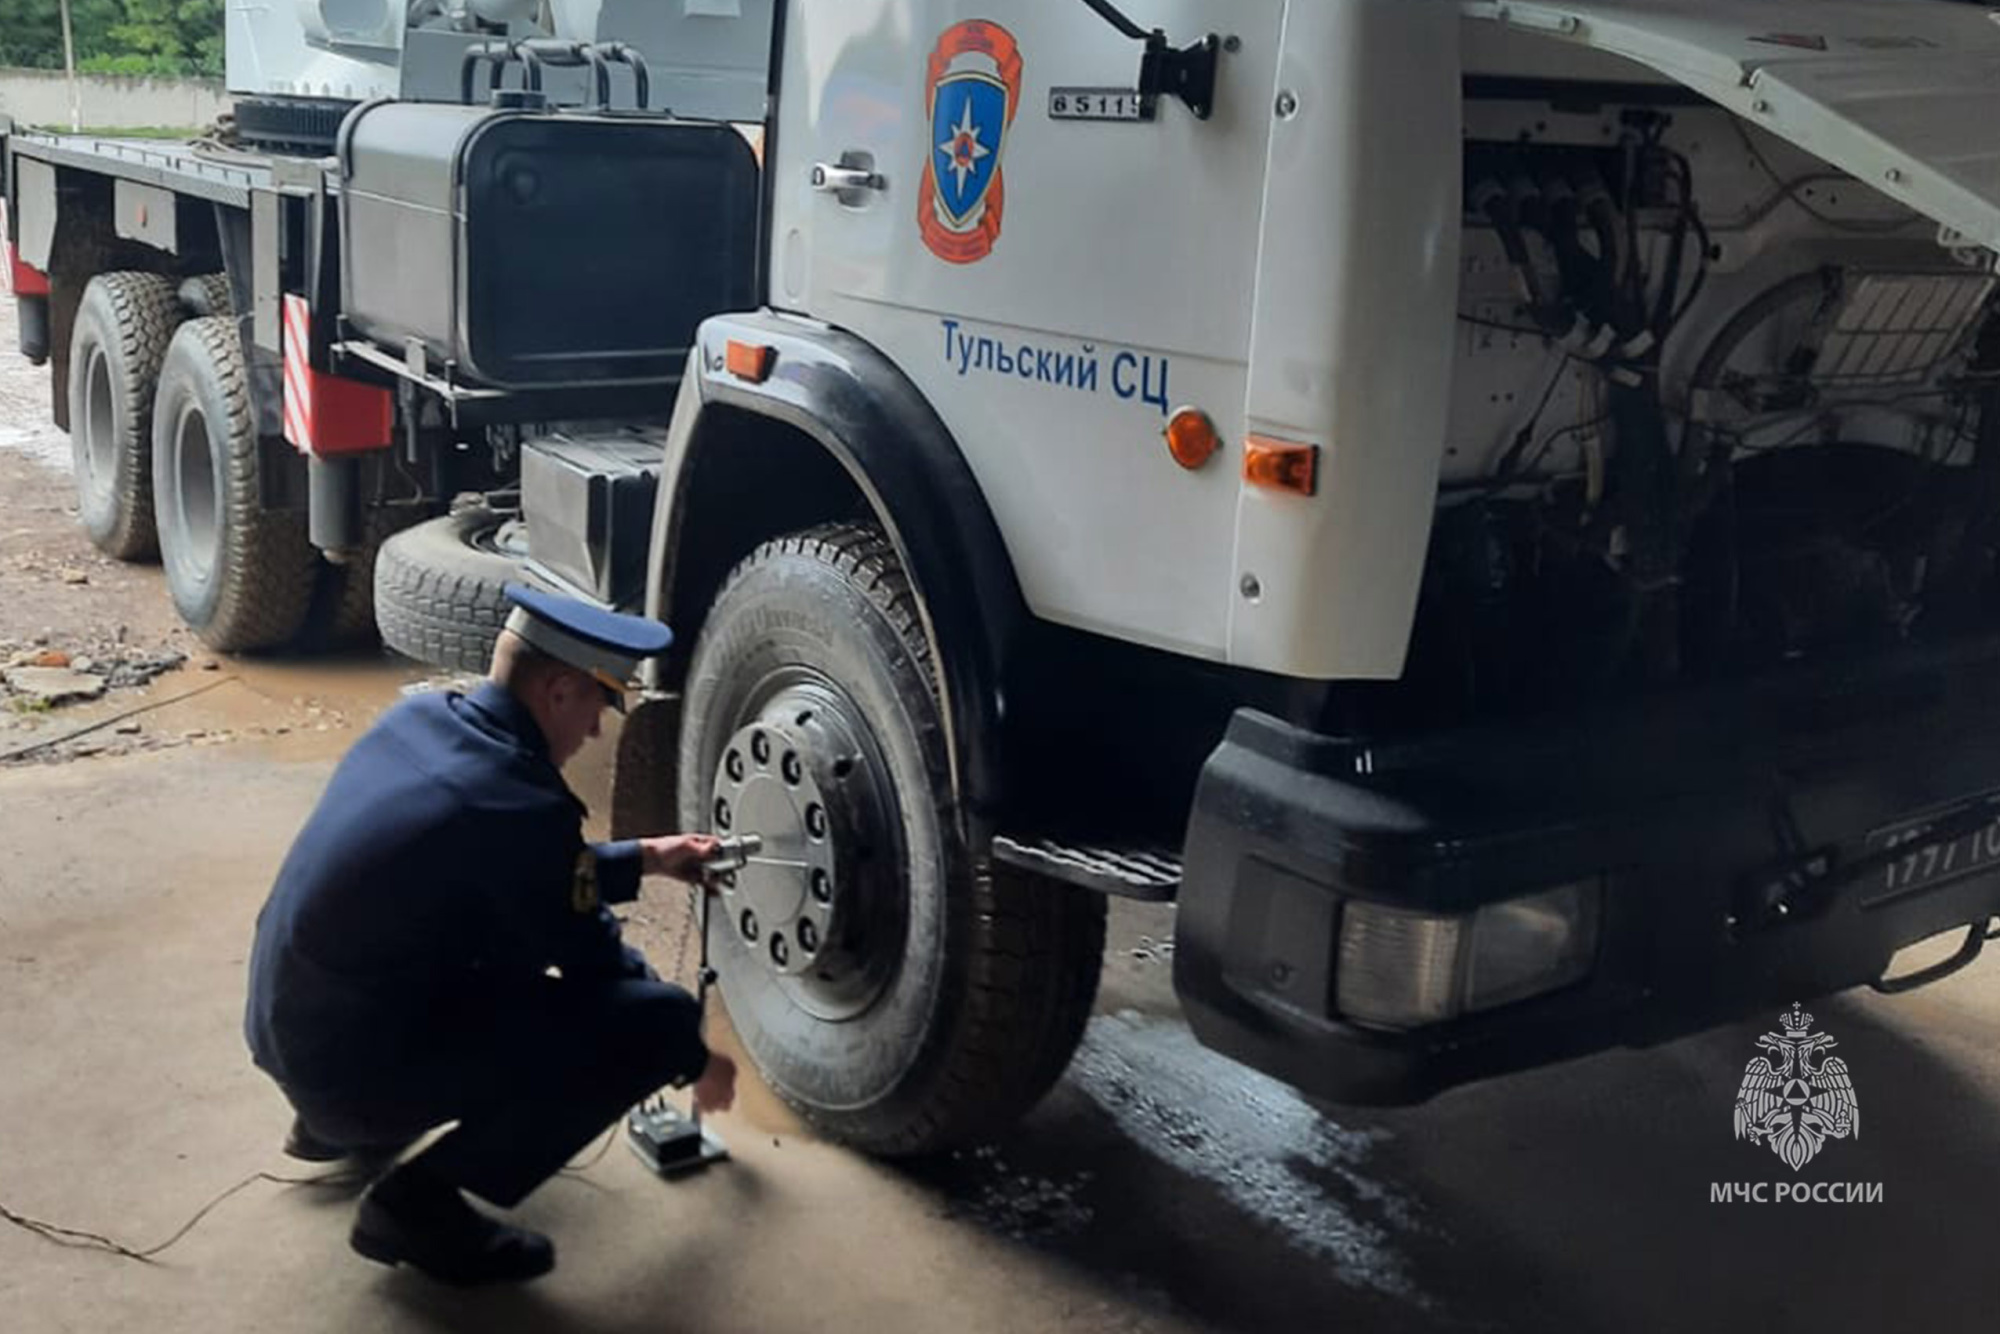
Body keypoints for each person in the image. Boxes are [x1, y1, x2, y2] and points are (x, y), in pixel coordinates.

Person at [244, 585, 736, 1286]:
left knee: (476, 936)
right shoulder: (514, 802)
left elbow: (517, 866)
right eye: (604, 702)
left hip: (296, 1029)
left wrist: (649, 858)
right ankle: (414, 1206)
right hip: (346, 1070)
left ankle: (336, 1123)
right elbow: (594, 960)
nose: (598, 730)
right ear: (560, 689)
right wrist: (693, 1052)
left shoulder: (424, 721)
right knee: (653, 1022)